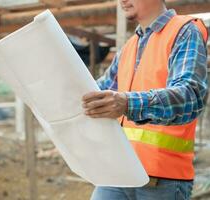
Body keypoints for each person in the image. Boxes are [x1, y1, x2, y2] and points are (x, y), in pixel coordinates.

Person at [82, 0, 209, 199]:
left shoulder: (184, 31)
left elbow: (190, 97)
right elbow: (96, 92)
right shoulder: (128, 47)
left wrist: (126, 103)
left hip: (163, 178)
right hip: (118, 171)